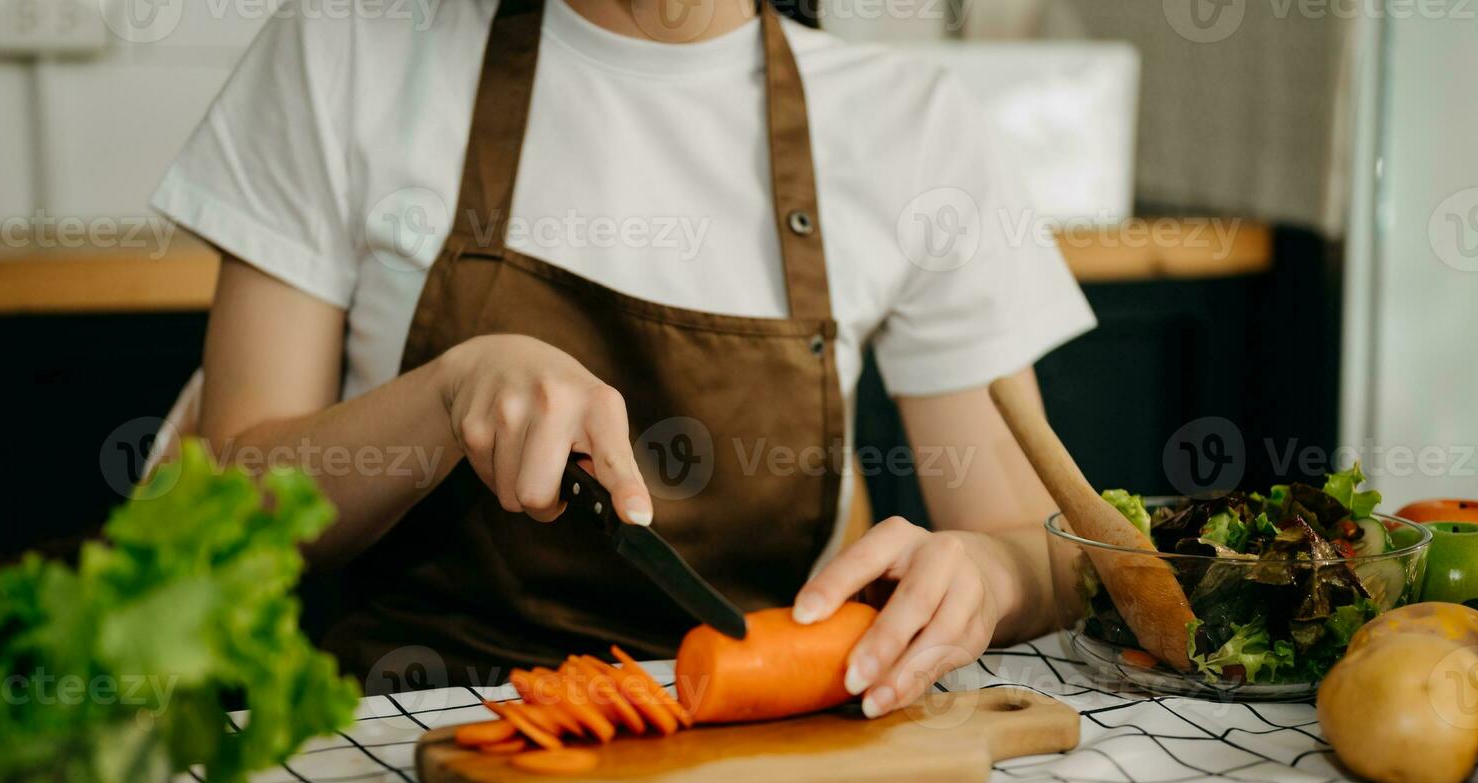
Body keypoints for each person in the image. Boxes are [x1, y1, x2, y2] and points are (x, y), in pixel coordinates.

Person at [150, 0, 1096, 717]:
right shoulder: (340, 52)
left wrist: (988, 574)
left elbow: (1045, 551)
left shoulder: (912, 123)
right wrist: (442, 395)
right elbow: (220, 514)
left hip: (765, 746)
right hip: (410, 738)